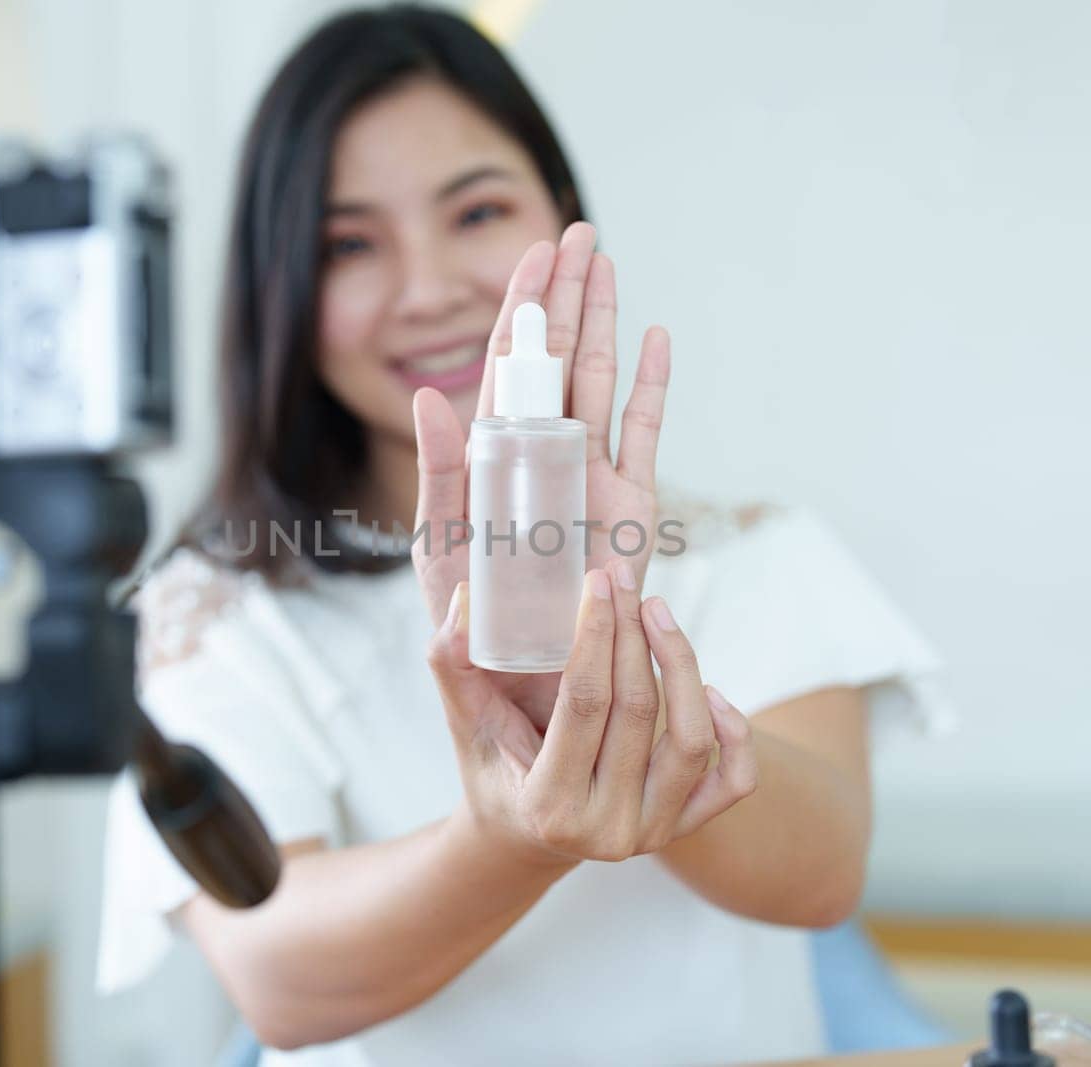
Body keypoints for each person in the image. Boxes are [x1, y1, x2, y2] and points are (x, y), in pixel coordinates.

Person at [99, 6, 951, 1064]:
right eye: (349, 243)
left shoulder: (749, 558)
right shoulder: (217, 609)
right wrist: (506, 834)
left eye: (476, 212)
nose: (431, 288)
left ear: (559, 214)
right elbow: (277, 976)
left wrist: (603, 679)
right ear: (279, 289)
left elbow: (821, 872)